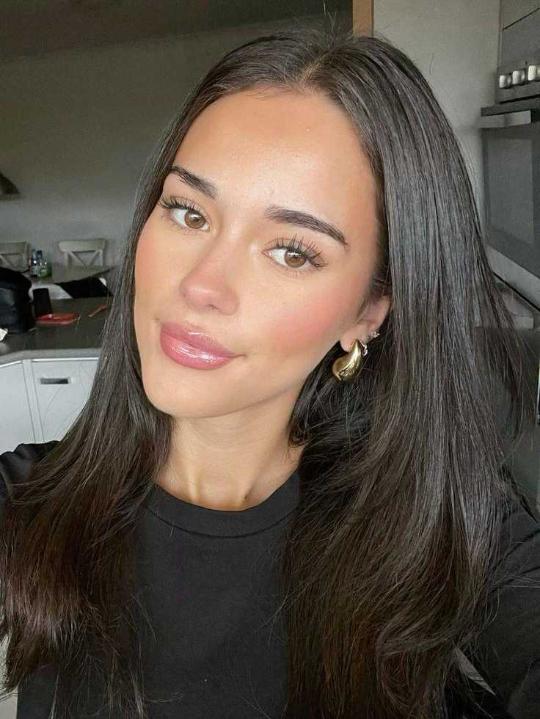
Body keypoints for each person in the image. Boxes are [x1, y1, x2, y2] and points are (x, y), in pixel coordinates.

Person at [0, 22, 538, 719]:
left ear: (369, 311)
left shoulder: (438, 521)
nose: (201, 285)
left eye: (292, 252)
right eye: (188, 212)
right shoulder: (28, 503)